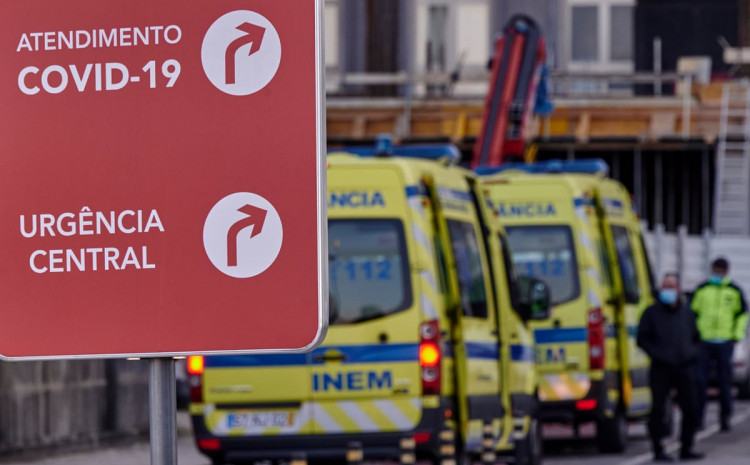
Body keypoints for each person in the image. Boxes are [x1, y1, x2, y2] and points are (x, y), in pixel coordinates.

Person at [638, 273, 703, 462]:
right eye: (665, 287)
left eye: (672, 287)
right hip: (661, 368)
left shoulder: (687, 313)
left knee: (690, 409)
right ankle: (658, 449)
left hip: (685, 367)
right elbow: (642, 339)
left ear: (679, 290)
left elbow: (696, 337)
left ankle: (686, 447)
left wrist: (692, 353)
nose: (669, 291)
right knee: (658, 410)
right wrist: (657, 354)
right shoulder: (651, 313)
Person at [692, 258, 748, 432]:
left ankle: (725, 418)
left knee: (725, 382)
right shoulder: (702, 290)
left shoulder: (734, 291)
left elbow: (742, 315)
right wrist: (694, 336)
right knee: (700, 382)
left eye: (720, 272)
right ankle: (698, 418)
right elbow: (692, 313)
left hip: (725, 342)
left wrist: (736, 336)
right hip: (704, 341)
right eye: (715, 271)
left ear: (726, 272)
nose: (717, 274)